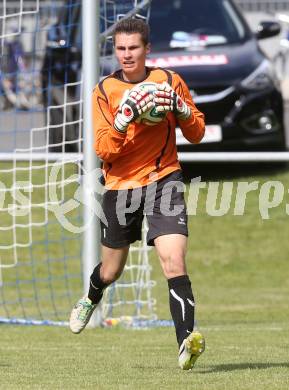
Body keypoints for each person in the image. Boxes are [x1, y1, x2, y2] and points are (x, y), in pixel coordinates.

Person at [69, 17, 206, 370]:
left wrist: (179, 108)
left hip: (164, 179)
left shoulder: (169, 81)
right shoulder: (104, 91)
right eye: (121, 48)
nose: (127, 55)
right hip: (120, 187)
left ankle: (186, 342)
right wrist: (123, 120)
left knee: (173, 261)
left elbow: (197, 132)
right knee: (111, 271)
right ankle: (91, 295)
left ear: (148, 49)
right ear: (115, 50)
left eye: (133, 48)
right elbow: (103, 150)